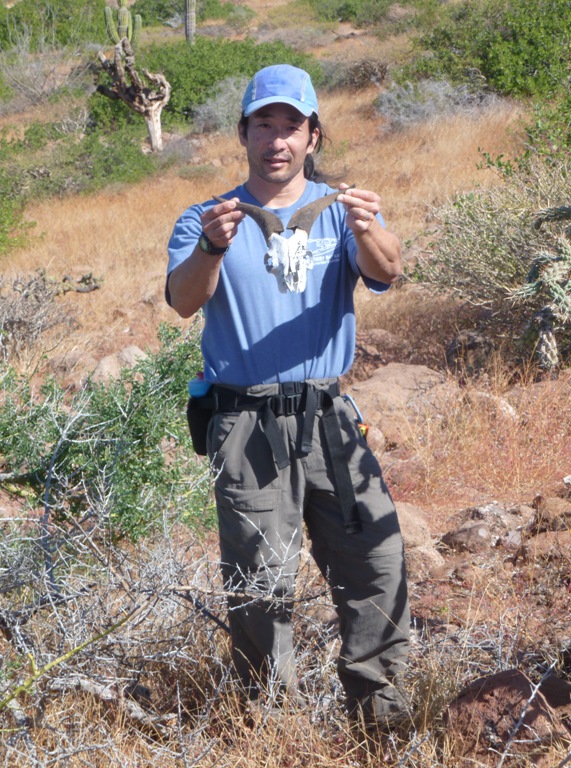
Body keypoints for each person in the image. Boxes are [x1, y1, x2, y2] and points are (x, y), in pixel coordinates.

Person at [166, 64, 410, 734]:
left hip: (329, 417)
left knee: (375, 560)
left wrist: (366, 228)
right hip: (244, 421)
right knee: (259, 582)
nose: (277, 139)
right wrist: (215, 247)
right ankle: (267, 723)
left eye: (291, 126)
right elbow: (184, 301)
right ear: (242, 134)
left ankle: (379, 709)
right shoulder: (206, 218)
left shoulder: (342, 209)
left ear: (312, 135)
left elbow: (387, 269)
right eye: (264, 125)